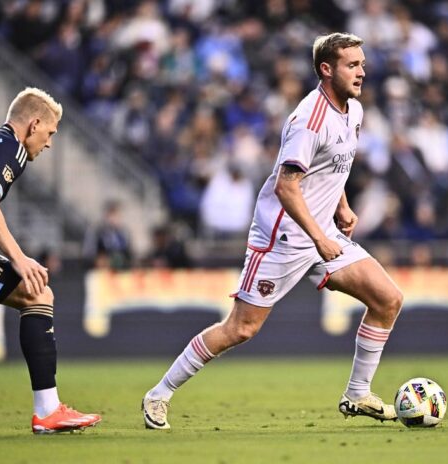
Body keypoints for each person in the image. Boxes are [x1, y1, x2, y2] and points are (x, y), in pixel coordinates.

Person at [141, 32, 404, 430]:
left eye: (362, 64)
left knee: (387, 299)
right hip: (282, 238)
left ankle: (357, 393)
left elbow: (331, 166)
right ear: (326, 69)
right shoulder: (308, 119)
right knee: (240, 328)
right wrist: (319, 237)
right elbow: (286, 186)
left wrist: (342, 205)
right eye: (352, 65)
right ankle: (158, 394)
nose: (362, 72)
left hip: (321, 232)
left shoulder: (353, 111)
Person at [0, 88, 101, 434]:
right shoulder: (10, 145)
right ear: (34, 124)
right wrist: (19, 257)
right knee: (37, 292)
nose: (49, 143)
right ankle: (48, 410)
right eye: (50, 133)